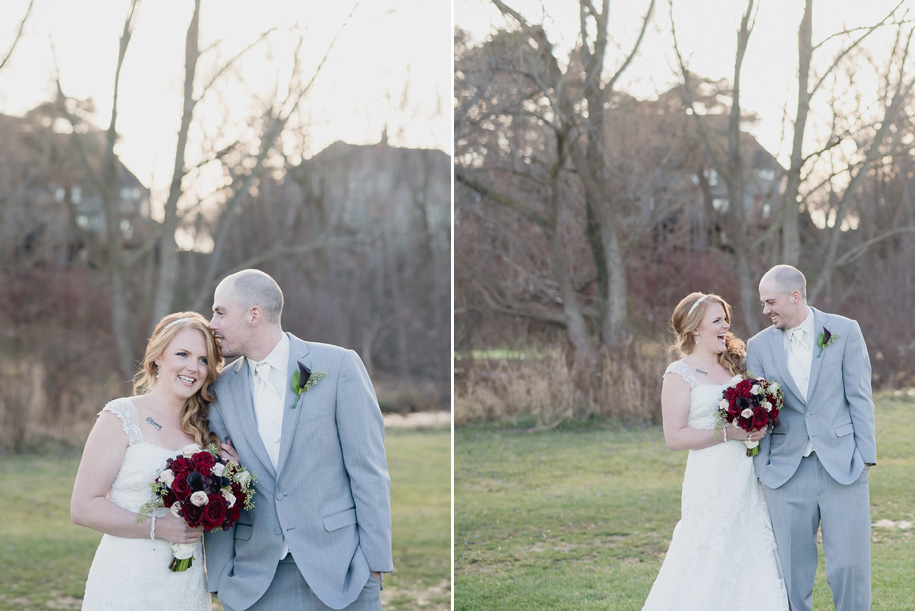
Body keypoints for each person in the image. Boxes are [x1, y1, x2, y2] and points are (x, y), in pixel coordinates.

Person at [204, 269, 393, 611]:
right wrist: (219, 577)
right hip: (255, 580)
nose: (211, 324)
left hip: (342, 571)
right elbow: (219, 488)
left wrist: (375, 566)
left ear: (254, 314)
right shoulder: (219, 389)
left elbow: (368, 470)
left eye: (220, 312)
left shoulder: (337, 367)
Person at [643, 292, 788, 611]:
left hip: (745, 476)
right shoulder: (679, 374)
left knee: (749, 547)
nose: (726, 326)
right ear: (695, 328)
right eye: (717, 320)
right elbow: (675, 437)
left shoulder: (735, 364)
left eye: (726, 320)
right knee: (708, 551)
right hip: (709, 478)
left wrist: (756, 426)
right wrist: (730, 432)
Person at [72, 312, 225, 610]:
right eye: (182, 354)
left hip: (184, 584)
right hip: (127, 578)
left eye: (203, 359)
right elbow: (83, 507)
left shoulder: (206, 430)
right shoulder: (121, 416)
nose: (193, 367)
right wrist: (160, 527)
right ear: (158, 357)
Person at [747, 265, 875, 611]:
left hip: (843, 465)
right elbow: (758, 409)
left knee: (850, 566)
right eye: (762, 303)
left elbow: (860, 396)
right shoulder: (757, 346)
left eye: (770, 301)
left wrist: (865, 455)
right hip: (786, 473)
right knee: (791, 574)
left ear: (795, 296)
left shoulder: (844, 331)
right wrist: (763, 466)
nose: (765, 310)